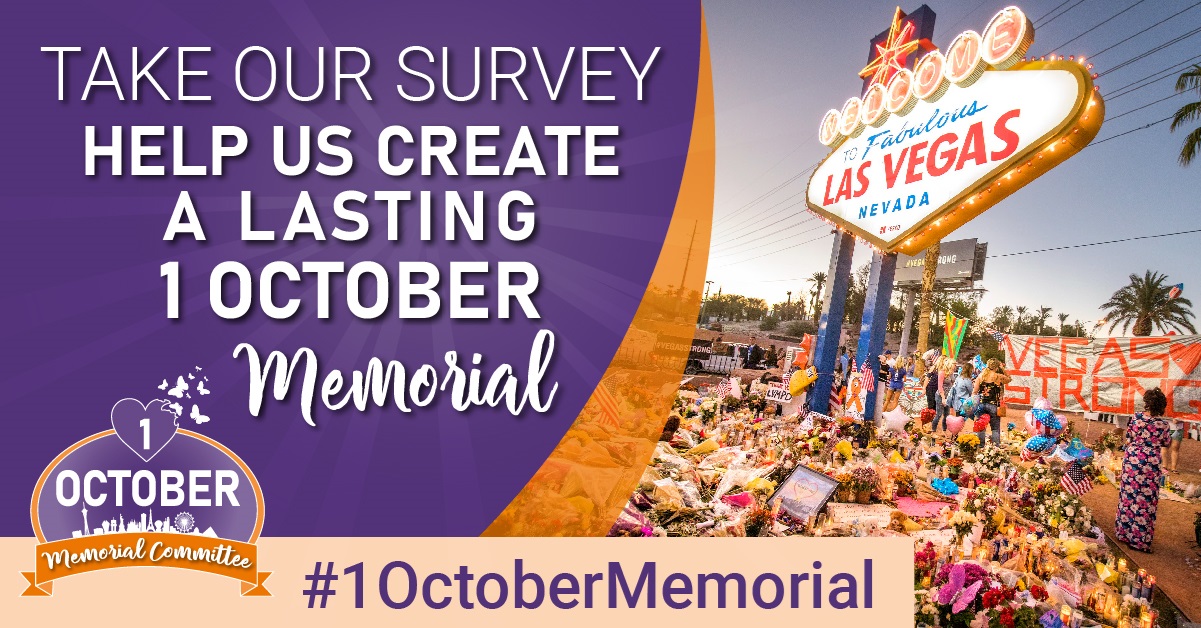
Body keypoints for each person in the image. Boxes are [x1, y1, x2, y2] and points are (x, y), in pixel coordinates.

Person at [1116, 388, 1173, 553]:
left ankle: (1123, 533)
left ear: (1147, 403)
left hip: (1132, 460)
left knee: (1128, 495)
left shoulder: (1137, 418)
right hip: (1150, 463)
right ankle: (1139, 540)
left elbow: (1129, 436)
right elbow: (1166, 443)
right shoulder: (1163, 425)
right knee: (1145, 501)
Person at [974, 358, 1011, 445]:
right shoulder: (998, 376)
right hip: (993, 405)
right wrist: (1003, 369)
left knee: (981, 427)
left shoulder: (981, 376)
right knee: (995, 428)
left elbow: (974, 392)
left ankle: (981, 446)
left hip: (981, 404)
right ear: (997, 367)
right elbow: (1009, 379)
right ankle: (995, 447)